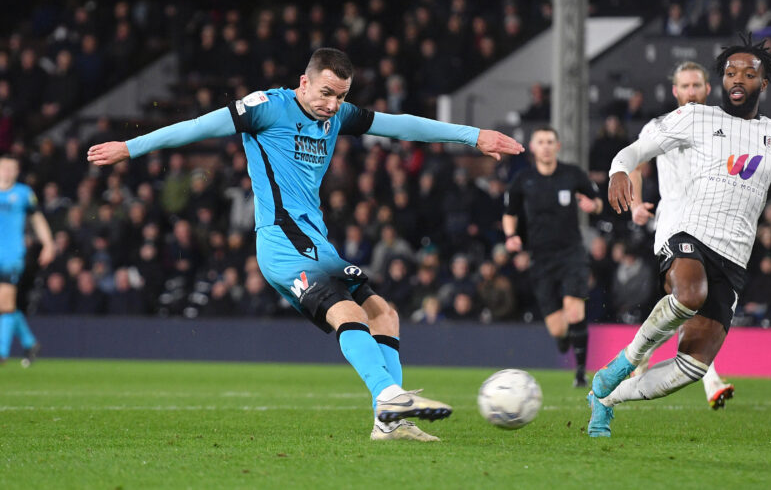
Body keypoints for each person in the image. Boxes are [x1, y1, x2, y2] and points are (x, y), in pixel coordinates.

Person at [89, 48, 523, 442]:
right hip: (282, 241)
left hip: (315, 242)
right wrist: (131, 147)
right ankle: (389, 395)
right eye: (326, 93)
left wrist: (473, 135)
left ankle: (389, 422)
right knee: (349, 312)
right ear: (304, 82)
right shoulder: (266, 108)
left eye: (341, 96)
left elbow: (401, 125)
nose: (332, 105)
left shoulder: (337, 116)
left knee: (383, 314)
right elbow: (199, 126)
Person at [588, 34, 771, 437]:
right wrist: (618, 170)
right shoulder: (696, 117)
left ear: (763, 83)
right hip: (687, 232)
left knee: (692, 367)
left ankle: (606, 399)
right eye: (730, 72)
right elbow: (635, 151)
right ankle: (625, 362)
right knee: (689, 294)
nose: (738, 78)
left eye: (748, 74)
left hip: (734, 256)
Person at [627, 61, 737, 410]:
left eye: (696, 85)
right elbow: (635, 165)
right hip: (675, 222)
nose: (691, 92)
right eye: (685, 86)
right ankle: (711, 380)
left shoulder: (727, 127)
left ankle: (641, 352)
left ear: (707, 89)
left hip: (714, 225)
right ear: (675, 91)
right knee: (691, 297)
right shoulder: (658, 127)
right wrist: (635, 204)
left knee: (694, 302)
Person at [503, 127, 603, 388]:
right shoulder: (523, 179)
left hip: (571, 252)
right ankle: (564, 338)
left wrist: (593, 206)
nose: (546, 146)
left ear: (558, 146)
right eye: (541, 142)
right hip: (540, 257)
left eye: (550, 142)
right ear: (532, 147)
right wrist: (511, 235)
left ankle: (580, 373)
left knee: (574, 309)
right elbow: (510, 213)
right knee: (557, 328)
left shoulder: (572, 174)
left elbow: (598, 202)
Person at [0, 155, 55, 366]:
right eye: (4, 167)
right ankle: (30, 342)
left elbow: (37, 218)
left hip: (11, 255)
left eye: (12, 168)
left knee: (5, 303)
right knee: (6, 304)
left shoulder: (23, 193)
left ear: (17, 171)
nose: (7, 171)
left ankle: (2, 352)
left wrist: (48, 244)